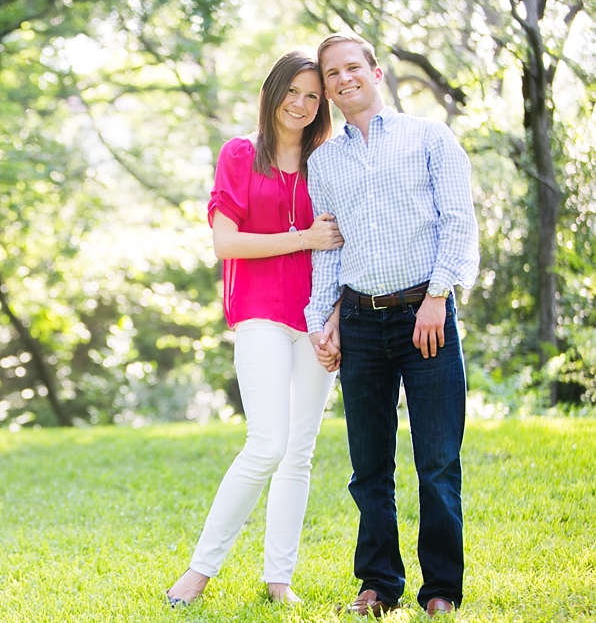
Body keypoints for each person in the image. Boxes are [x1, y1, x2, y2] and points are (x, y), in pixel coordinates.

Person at [304, 32, 479, 617]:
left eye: (353, 67)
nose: (343, 79)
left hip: (425, 316)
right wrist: (320, 319)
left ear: (376, 72)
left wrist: (436, 296)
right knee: (369, 468)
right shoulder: (323, 161)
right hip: (359, 322)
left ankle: (440, 592)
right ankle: (378, 584)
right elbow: (329, 249)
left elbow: (458, 222)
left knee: (436, 462)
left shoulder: (429, 137)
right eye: (332, 74)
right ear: (326, 88)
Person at [166, 50, 344, 607]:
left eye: (313, 96)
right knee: (268, 441)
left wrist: (337, 318)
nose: (301, 103)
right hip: (261, 314)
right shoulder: (241, 154)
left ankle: (278, 580)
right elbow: (226, 242)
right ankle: (199, 572)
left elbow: (347, 245)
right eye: (293, 91)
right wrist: (301, 239)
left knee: (300, 451)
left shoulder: (331, 160)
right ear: (273, 92)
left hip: (317, 319)